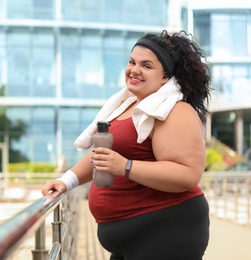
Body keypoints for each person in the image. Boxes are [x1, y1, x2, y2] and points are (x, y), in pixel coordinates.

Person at [42, 30, 211, 260]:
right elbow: (103, 156)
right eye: (132, 62)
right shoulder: (128, 105)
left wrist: (125, 167)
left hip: (166, 231)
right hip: (133, 237)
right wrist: (66, 181)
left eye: (146, 65)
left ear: (166, 76)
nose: (134, 70)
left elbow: (187, 173)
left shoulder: (175, 110)